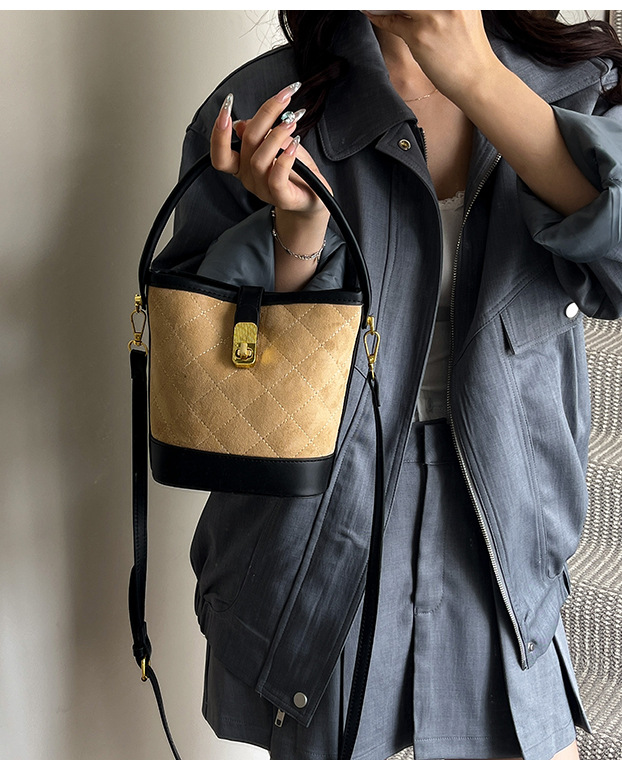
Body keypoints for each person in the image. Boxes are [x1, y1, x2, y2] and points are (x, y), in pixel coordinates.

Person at [154, 10, 622, 760]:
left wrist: (478, 78)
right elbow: (216, 379)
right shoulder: (264, 107)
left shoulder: (577, 87)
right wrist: (296, 234)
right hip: (319, 545)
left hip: (507, 546)